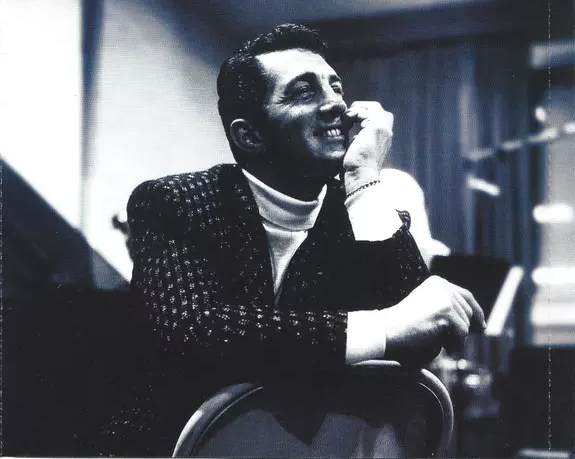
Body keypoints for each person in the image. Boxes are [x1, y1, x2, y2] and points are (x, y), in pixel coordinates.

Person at [105, 23, 484, 456]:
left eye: (336, 87)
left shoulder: (363, 209)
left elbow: (421, 337)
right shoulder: (176, 202)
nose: (337, 104)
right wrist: (382, 327)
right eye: (304, 92)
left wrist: (363, 177)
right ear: (250, 135)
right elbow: (197, 330)